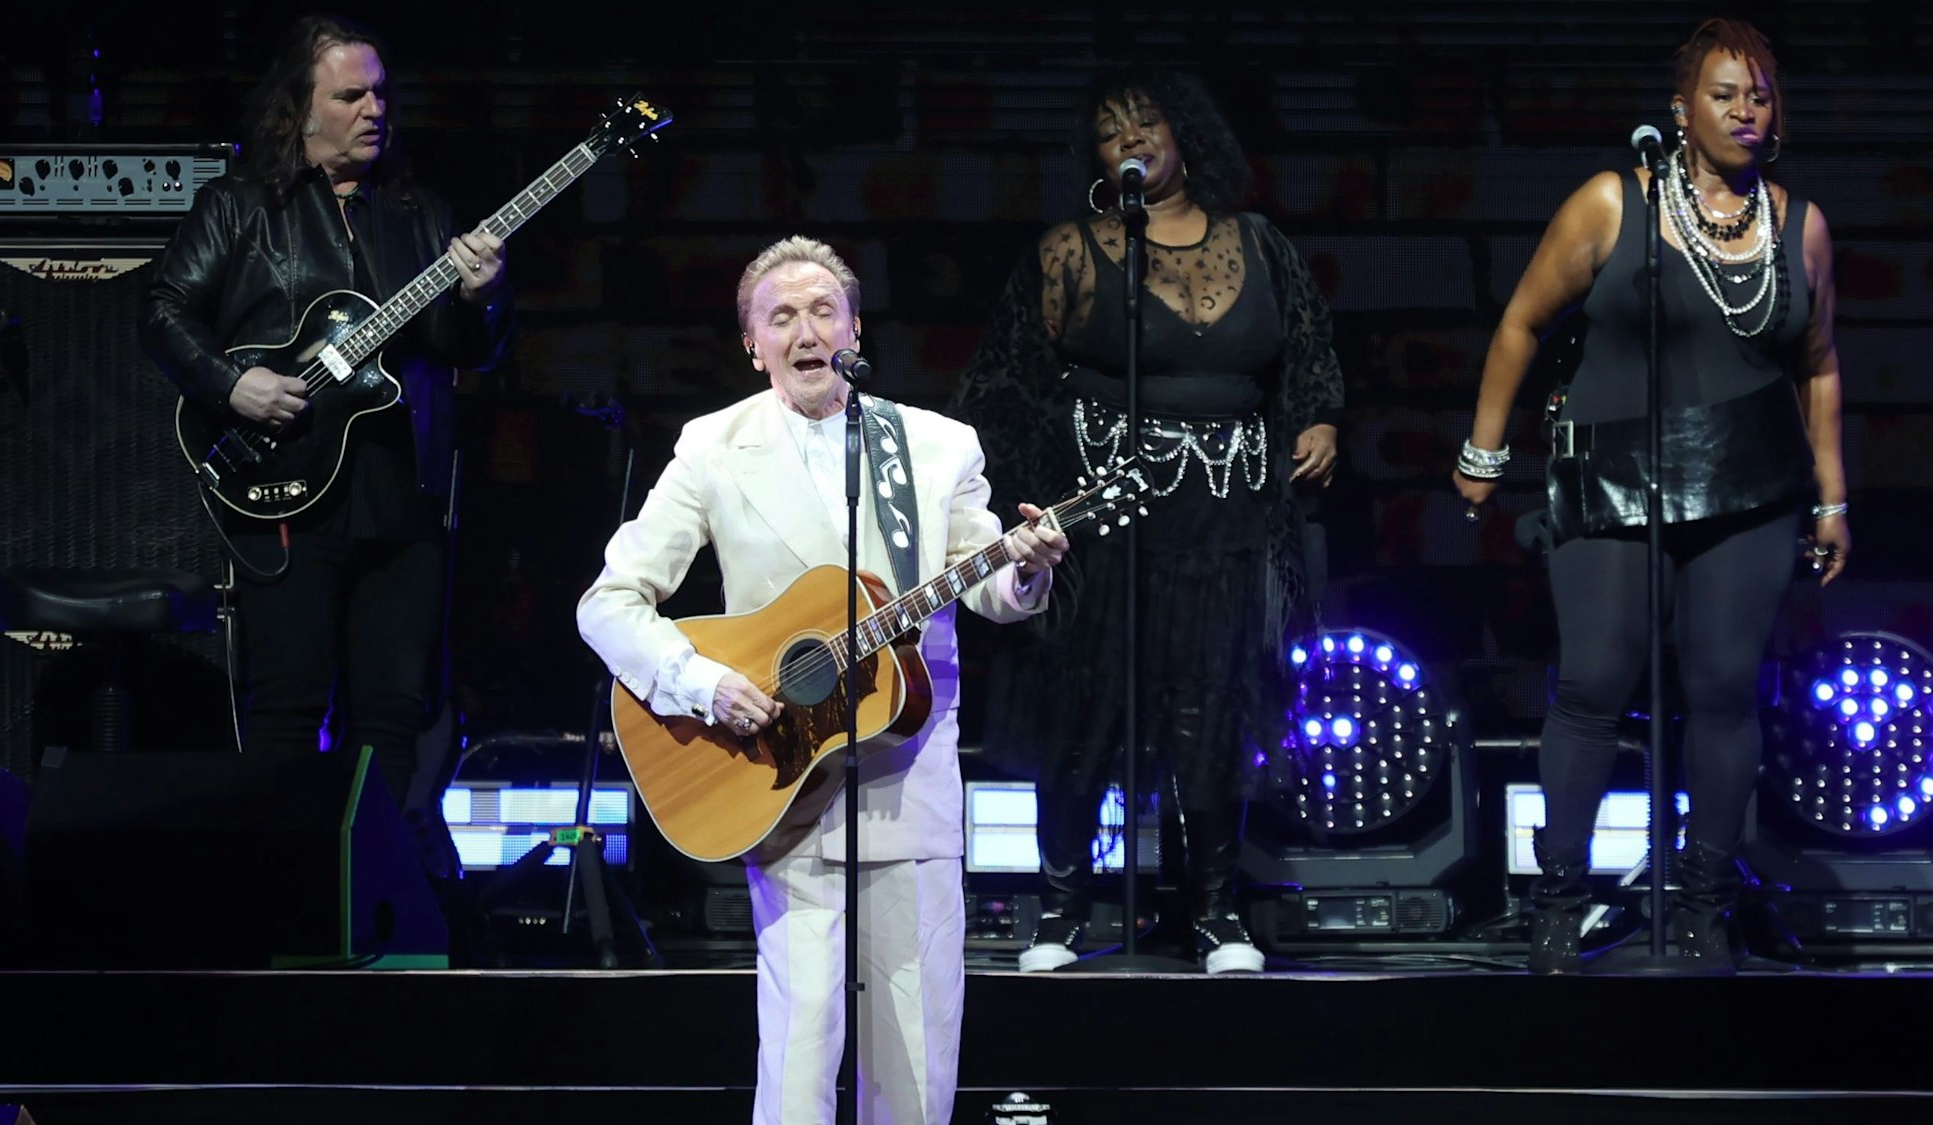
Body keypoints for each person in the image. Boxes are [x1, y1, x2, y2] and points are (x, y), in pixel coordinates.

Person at [577, 236, 1067, 1125]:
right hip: (776, 771)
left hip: (906, 774)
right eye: (782, 316)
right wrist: (701, 682)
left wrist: (1027, 569)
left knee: (914, 1051)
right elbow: (609, 604)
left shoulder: (935, 444)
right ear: (752, 344)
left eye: (823, 311)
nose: (806, 331)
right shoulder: (711, 447)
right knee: (801, 1045)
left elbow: (986, 582)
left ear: (853, 328)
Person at [1453, 18, 1850, 975]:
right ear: (1682, 110)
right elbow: (1521, 322)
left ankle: (1706, 899)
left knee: (1720, 688)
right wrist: (1484, 446)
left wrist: (1831, 500)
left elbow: (1821, 368)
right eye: (1725, 94)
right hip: (1611, 473)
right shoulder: (1609, 201)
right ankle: (1559, 898)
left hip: (1751, 483)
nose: (1746, 112)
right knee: (1594, 681)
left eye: (1759, 96)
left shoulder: (1801, 226)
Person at [952, 70, 1345, 974]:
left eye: (1146, 121)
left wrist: (1317, 420)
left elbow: (1311, 354)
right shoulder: (1070, 251)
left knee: (1212, 712)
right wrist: (1048, 486)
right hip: (1105, 528)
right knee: (1085, 712)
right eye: (1108, 130)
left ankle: (1211, 913)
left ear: (1185, 133)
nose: (1131, 139)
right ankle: (1061, 912)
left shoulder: (1260, 244)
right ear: (1092, 156)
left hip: (1228, 520)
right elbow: (1000, 381)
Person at [140, 13, 513, 814]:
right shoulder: (239, 206)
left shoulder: (421, 212)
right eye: (351, 94)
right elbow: (164, 312)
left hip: (401, 490)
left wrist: (481, 298)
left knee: (392, 711)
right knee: (286, 704)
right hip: (282, 487)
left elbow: (463, 349)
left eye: (381, 92)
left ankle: (367, 889)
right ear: (301, 110)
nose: (374, 108)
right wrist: (230, 385)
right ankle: (286, 898)